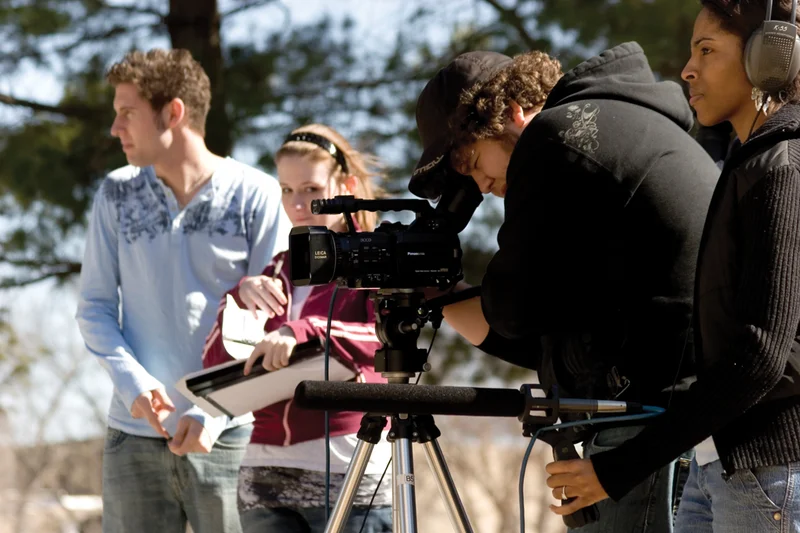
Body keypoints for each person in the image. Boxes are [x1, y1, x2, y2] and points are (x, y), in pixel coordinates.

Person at [409, 43, 720, 532]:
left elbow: (513, 309)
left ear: (509, 112)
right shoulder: (611, 130)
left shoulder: (554, 135)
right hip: (684, 418)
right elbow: (549, 336)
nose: (480, 186)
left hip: (645, 424)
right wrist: (443, 296)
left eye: (472, 164)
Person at [546, 1, 800, 531]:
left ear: (768, 59)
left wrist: (618, 469)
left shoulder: (781, 167)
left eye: (707, 50)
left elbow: (761, 355)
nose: (687, 70)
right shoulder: (751, 161)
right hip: (720, 466)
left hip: (769, 475)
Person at [74, 48, 290, 533]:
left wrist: (211, 411)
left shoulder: (256, 194)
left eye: (127, 113)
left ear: (173, 113)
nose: (115, 128)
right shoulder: (115, 193)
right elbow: (94, 308)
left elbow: (273, 320)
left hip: (231, 439)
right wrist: (134, 385)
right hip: (132, 440)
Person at [202, 124, 393, 533]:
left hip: (349, 464)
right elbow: (213, 361)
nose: (298, 204)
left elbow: (385, 340)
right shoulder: (275, 270)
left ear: (346, 186)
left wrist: (302, 331)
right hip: (262, 472)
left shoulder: (374, 259)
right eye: (287, 190)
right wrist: (236, 299)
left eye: (311, 189)